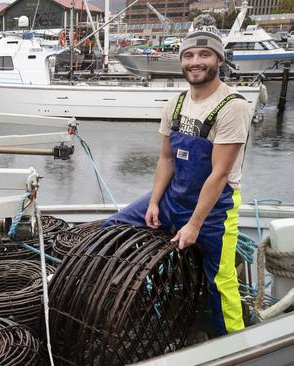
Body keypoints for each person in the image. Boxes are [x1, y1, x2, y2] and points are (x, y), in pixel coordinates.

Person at [104, 16, 253, 337]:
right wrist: (155, 202)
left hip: (215, 211)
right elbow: (166, 158)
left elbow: (219, 174)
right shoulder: (176, 102)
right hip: (174, 197)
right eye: (189, 55)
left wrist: (194, 225)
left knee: (220, 283)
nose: (195, 62)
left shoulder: (232, 107)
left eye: (204, 55)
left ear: (218, 59)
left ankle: (237, 344)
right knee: (112, 228)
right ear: (181, 60)